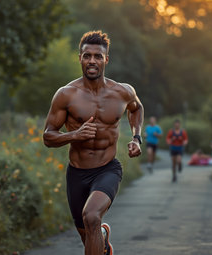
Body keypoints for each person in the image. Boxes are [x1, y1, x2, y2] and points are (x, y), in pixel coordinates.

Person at [43, 30, 144, 255]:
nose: (92, 61)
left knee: (91, 216)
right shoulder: (66, 95)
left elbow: (137, 109)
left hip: (107, 169)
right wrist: (74, 135)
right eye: (87, 55)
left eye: (98, 56)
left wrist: (137, 137)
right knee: (88, 233)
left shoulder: (122, 91)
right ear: (79, 58)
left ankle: (99, 236)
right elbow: (48, 136)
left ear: (106, 59)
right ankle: (103, 242)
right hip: (77, 173)